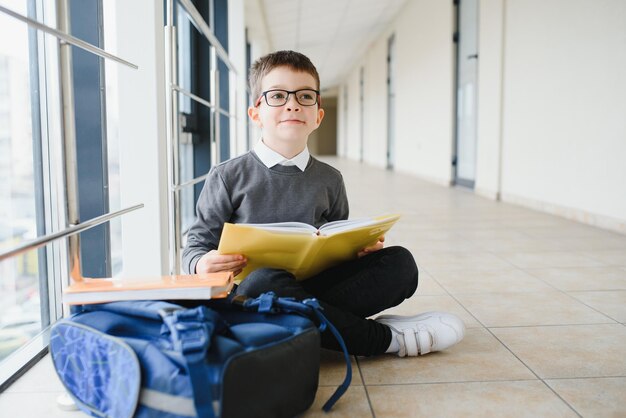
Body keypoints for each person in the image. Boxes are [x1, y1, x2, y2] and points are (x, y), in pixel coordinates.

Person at [182, 50, 465, 357]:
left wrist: (359, 251)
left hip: (314, 288)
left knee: (400, 263)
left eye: (305, 96)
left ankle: (308, 322)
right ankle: (385, 339)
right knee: (266, 280)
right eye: (277, 95)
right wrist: (201, 263)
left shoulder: (330, 178)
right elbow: (195, 246)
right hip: (258, 294)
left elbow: (335, 238)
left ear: (317, 115)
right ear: (256, 113)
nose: (292, 103)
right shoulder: (227, 176)